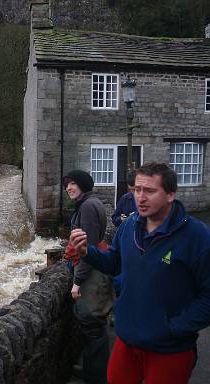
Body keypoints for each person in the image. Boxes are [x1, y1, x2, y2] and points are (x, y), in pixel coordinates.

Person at [70, 162, 210, 384]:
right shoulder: (129, 226)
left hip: (170, 349)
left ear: (171, 194)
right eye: (137, 190)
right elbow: (115, 262)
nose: (140, 197)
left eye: (150, 191)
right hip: (127, 341)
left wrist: (174, 329)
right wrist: (87, 252)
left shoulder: (196, 236)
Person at [62, 170, 114, 384]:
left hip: (91, 277)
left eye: (72, 183)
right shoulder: (89, 203)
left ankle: (96, 376)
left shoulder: (88, 207)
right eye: (66, 185)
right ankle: (93, 369)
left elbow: (88, 249)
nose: (68, 188)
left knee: (92, 326)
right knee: (94, 326)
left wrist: (77, 282)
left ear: (83, 184)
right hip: (92, 274)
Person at [111, 171, 137, 297]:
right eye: (131, 189)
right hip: (125, 242)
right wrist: (120, 220)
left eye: (136, 189)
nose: (135, 193)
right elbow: (114, 218)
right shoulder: (125, 199)